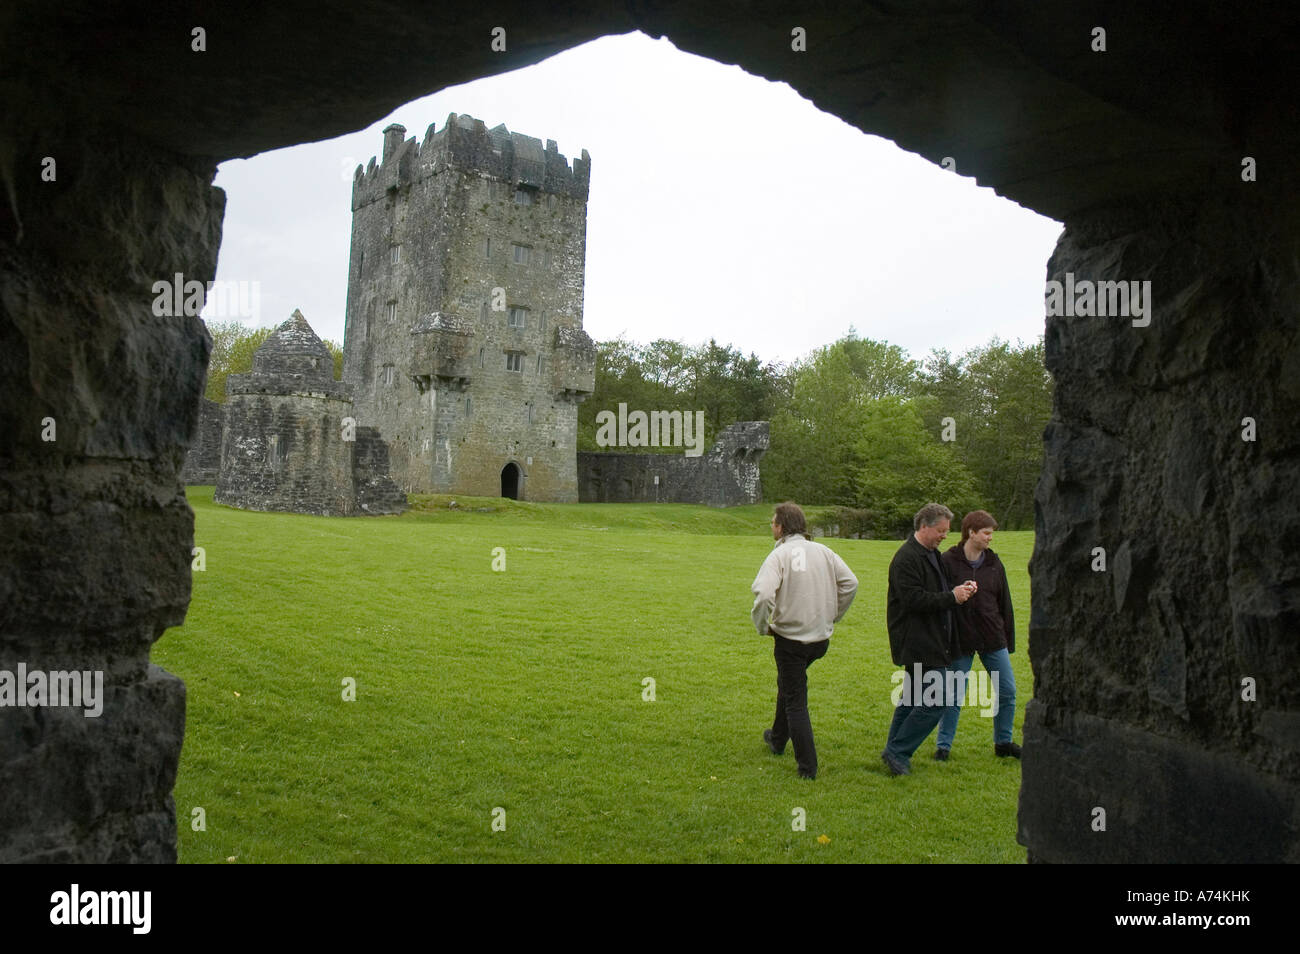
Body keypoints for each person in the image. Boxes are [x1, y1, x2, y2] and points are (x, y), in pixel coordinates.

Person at [751, 501, 858, 780]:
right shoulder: (824, 551)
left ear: (781, 526)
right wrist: (834, 614)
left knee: (795, 701)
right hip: (820, 641)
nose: (771, 526)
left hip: (791, 641)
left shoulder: (779, 555)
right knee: (788, 685)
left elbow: (763, 595)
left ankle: (807, 768)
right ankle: (776, 738)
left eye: (773, 522)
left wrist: (763, 627)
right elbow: (851, 583)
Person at [881, 503, 975, 776]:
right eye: (940, 530)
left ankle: (893, 749)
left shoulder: (932, 554)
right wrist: (951, 597)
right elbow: (913, 600)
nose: (945, 536)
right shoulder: (906, 558)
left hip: (933, 637)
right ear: (924, 526)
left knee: (911, 698)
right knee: (938, 699)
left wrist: (961, 590)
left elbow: (942, 591)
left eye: (946, 531)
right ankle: (898, 751)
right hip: (917, 640)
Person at [935, 510, 1020, 759]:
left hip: (993, 638)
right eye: (986, 533)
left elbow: (1005, 603)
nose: (990, 538)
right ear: (971, 532)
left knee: (1008, 691)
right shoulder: (948, 561)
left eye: (991, 534)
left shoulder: (994, 563)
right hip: (960, 639)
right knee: (953, 695)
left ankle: (1003, 743)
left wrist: (1007, 639)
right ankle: (943, 746)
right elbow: (940, 599)